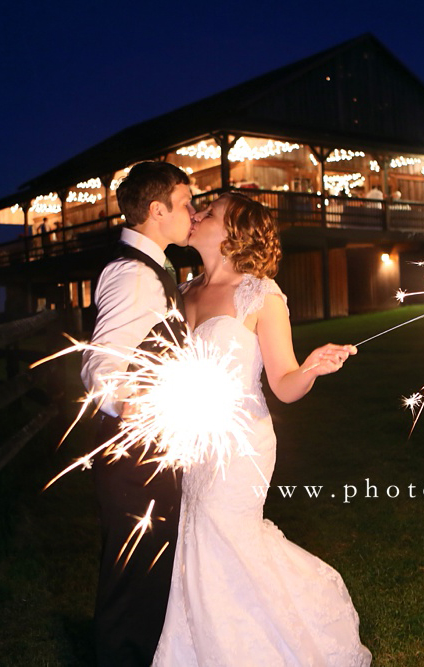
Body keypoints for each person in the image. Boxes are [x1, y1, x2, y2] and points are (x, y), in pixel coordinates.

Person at [153, 192, 371, 665]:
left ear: (234, 234)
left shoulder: (261, 293)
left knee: (218, 532)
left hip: (241, 448)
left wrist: (310, 368)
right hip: (193, 444)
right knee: (198, 542)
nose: (196, 215)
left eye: (208, 212)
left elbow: (284, 385)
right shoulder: (182, 292)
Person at [80, 161, 196, 666]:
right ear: (157, 210)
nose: (193, 212)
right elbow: (99, 362)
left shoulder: (152, 269)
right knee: (131, 588)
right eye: (187, 202)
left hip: (150, 454)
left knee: (148, 581)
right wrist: (129, 404)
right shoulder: (132, 272)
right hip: (133, 459)